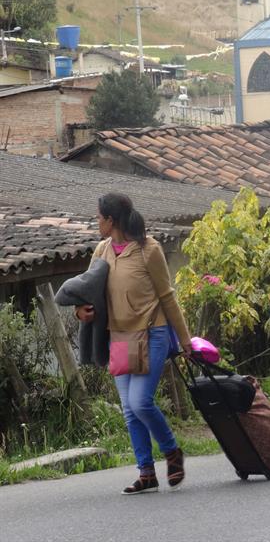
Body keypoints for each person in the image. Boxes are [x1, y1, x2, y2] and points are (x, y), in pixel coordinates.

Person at [76, 193, 192, 494]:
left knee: (141, 402)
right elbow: (87, 292)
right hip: (119, 337)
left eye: (99, 218)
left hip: (152, 332)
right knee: (129, 408)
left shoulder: (147, 249)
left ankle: (171, 451)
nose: (97, 223)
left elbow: (167, 296)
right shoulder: (102, 251)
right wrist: (81, 310)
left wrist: (184, 339)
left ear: (111, 220)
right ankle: (146, 473)